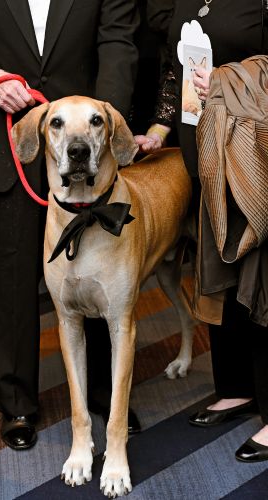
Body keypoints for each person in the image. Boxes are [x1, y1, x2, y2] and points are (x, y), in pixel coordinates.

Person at [0, 0, 140, 450]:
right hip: (11, 135)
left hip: (83, 144)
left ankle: (108, 398)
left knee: (100, 274)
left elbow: (117, 42)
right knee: (11, 277)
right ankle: (17, 404)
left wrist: (103, 128)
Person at [135, 0, 268, 462]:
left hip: (254, 157)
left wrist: (229, 82)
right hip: (207, 157)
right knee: (223, 278)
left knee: (262, 280)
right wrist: (159, 128)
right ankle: (238, 389)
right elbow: (179, 71)